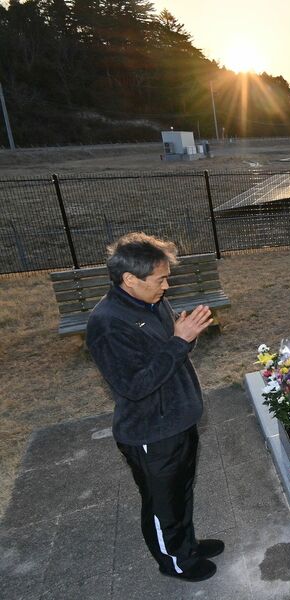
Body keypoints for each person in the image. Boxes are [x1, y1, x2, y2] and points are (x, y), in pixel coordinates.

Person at [86, 232, 222, 582]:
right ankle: (175, 561)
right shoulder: (108, 324)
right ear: (130, 279)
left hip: (179, 421)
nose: (166, 286)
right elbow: (134, 387)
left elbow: (169, 351)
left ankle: (186, 546)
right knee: (163, 505)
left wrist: (185, 338)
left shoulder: (151, 302)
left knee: (181, 492)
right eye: (160, 279)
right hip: (151, 432)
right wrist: (179, 341)